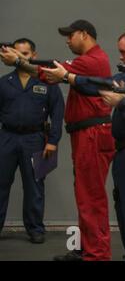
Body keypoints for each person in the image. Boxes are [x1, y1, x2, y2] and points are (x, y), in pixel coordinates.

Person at [0, 20, 115, 261]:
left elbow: (51, 78)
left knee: (90, 196)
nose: (67, 40)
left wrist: (20, 62)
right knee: (85, 195)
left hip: (89, 134)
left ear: (84, 34)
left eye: (70, 35)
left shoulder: (91, 60)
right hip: (78, 134)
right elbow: (52, 72)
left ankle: (97, 255)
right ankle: (88, 250)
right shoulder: (87, 61)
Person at [51, 30, 125, 260]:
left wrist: (68, 77)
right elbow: (102, 85)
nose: (120, 57)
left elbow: (104, 87)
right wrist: (69, 77)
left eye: (124, 52)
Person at [0, 38, 64, 244]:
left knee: (35, 186)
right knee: (0, 184)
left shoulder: (46, 81)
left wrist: (53, 140)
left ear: (33, 56)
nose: (20, 57)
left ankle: (35, 229)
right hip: (7, 138)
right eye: (17, 53)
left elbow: (57, 113)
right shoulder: (4, 83)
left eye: (25, 54)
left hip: (35, 139)